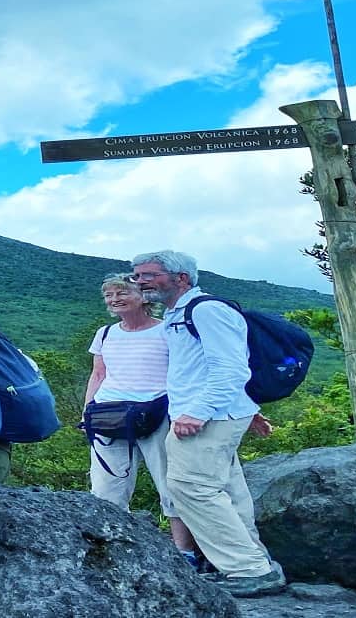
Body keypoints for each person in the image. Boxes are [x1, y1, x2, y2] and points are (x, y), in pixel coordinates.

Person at [131, 250, 286, 597]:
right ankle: (253, 563)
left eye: (148, 275)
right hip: (214, 413)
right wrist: (243, 408)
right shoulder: (180, 313)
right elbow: (205, 368)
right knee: (228, 491)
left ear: (181, 278)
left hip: (205, 417)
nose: (140, 282)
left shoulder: (206, 310)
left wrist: (198, 412)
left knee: (190, 487)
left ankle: (248, 569)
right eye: (136, 276)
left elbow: (231, 368)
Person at [84, 273, 197, 562]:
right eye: (109, 295)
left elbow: (183, 372)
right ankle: (112, 550)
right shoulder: (105, 333)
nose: (114, 299)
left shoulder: (166, 330)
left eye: (122, 292)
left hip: (156, 412)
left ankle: (184, 551)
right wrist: (88, 411)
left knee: (170, 482)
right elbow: (98, 373)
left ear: (144, 296)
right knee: (105, 487)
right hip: (109, 413)